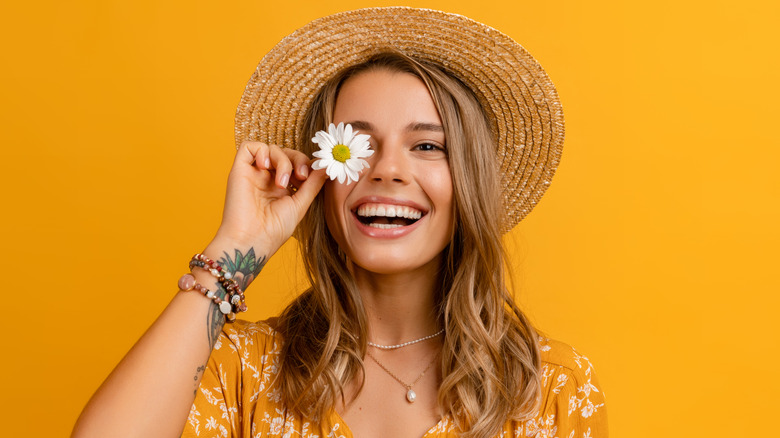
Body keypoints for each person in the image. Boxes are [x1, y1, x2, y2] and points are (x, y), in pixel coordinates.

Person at [73, 7, 607, 438]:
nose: (387, 170)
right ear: (320, 174)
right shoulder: (241, 371)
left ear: (468, 181)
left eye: (427, 145)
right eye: (359, 145)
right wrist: (238, 246)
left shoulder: (552, 387)